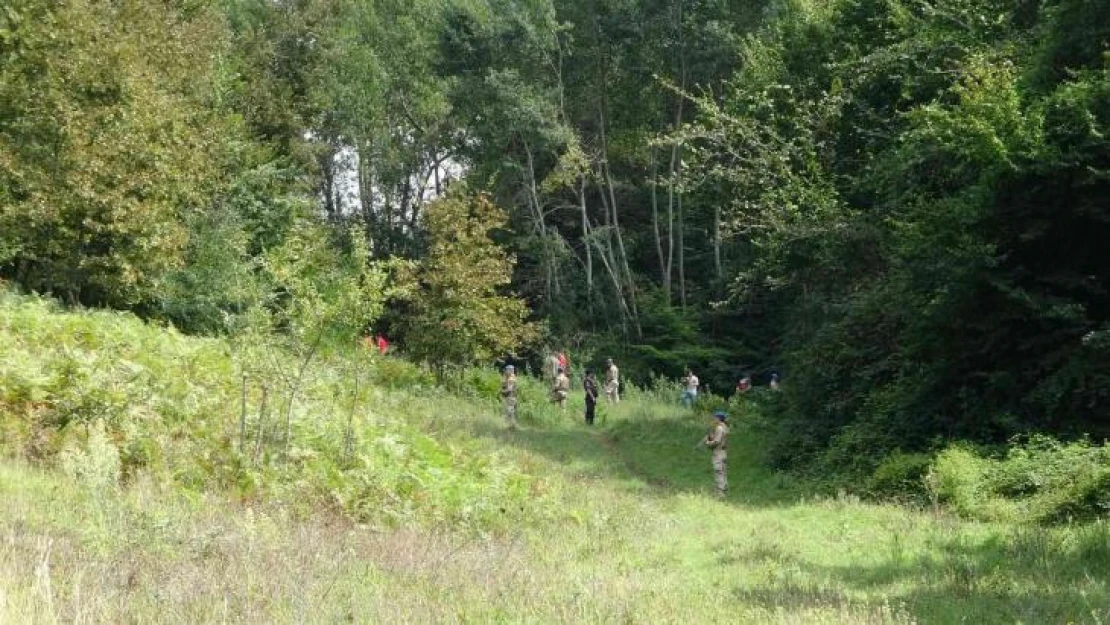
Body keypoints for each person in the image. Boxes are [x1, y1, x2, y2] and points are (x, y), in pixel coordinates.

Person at [702, 410, 729, 498]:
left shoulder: (719, 428)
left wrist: (707, 442)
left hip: (718, 452)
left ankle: (720, 492)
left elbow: (717, 441)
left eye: (715, 418)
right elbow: (719, 438)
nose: (713, 419)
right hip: (723, 452)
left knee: (718, 471)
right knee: (723, 471)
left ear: (718, 418)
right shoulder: (724, 427)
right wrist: (711, 437)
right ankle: (723, 488)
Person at [500, 365, 518, 429]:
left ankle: (512, 426)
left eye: (507, 370)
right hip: (510, 397)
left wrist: (502, 391)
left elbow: (509, 389)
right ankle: (510, 426)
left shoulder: (511, 379)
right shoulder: (510, 377)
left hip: (510, 397)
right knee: (509, 412)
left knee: (510, 411)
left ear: (510, 370)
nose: (505, 371)